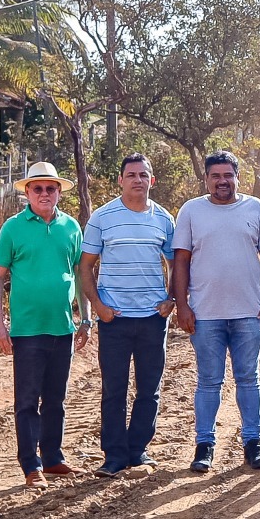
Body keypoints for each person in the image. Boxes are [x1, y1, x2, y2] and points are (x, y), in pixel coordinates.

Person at [172, 151, 260, 474]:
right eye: (216, 176)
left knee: (248, 378)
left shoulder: (254, 208)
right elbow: (180, 261)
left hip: (248, 311)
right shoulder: (192, 211)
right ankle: (204, 445)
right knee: (208, 381)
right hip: (205, 314)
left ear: (237, 177)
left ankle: (253, 441)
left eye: (228, 175)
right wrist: (182, 305)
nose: (223, 181)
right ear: (206, 179)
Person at [0, 162, 89, 489]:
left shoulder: (71, 227)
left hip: (63, 327)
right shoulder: (13, 228)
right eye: (38, 189)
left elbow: (80, 276)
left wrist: (85, 318)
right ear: (27, 193)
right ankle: (30, 465)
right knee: (28, 400)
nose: (44, 194)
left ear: (59, 192)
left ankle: (53, 458)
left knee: (56, 398)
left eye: (50, 188)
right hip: (27, 330)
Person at [78, 154, 176, 478]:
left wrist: (172, 298)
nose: (137, 179)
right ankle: (114, 457)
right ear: (120, 180)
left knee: (149, 388)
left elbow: (176, 263)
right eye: (131, 174)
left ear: (152, 180)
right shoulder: (103, 218)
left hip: (152, 319)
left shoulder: (163, 219)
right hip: (114, 319)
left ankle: (139, 451)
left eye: (143, 174)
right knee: (114, 389)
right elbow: (85, 266)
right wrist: (99, 308)